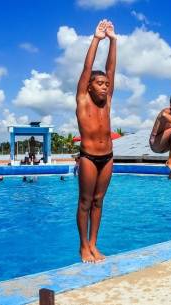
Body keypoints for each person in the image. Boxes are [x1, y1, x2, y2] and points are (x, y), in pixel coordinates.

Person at [76, 20, 117, 263]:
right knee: (85, 201)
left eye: (106, 85)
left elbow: (111, 69)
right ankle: (83, 246)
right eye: (99, 83)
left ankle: (93, 244)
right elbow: (87, 66)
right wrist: (96, 39)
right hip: (89, 157)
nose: (104, 87)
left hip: (108, 156)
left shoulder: (107, 101)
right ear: (89, 86)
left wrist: (113, 41)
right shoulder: (83, 99)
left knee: (99, 201)